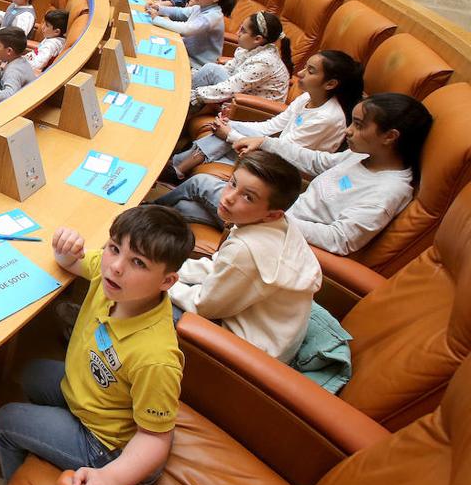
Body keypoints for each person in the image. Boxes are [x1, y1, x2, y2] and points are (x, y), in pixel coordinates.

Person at [0, 206, 193, 485]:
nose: (116, 266)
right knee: (31, 372)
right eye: (114, 248)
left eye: (138, 262)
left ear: (167, 281)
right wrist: (63, 248)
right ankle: (50, 438)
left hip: (111, 449)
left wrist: (112, 479)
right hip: (91, 397)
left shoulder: (156, 358)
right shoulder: (111, 275)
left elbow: (156, 438)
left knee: (6, 420)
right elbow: (72, 263)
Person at [167, 151, 320, 363]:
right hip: (275, 334)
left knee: (148, 296)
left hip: (251, 352)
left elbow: (203, 306)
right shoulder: (278, 224)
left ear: (272, 213)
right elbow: (219, 266)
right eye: (232, 183)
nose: (229, 197)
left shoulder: (245, 250)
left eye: (247, 197)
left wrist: (162, 281)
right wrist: (171, 268)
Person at [249, 93, 433, 256]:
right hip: (278, 217)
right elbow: (318, 162)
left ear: (390, 137)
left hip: (283, 240)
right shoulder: (363, 154)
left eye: (359, 125)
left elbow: (339, 239)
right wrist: (266, 143)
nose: (348, 130)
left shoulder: (389, 191)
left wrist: (273, 219)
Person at [168, 49, 361, 181]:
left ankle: (176, 168)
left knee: (228, 134)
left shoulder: (328, 117)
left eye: (310, 71)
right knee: (230, 128)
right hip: (274, 149)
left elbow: (287, 152)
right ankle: (176, 168)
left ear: (330, 84)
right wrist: (230, 124)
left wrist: (230, 134)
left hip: (284, 167)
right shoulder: (306, 98)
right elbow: (271, 126)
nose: (300, 73)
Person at [189, 11, 292, 109]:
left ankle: (180, 102)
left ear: (257, 39)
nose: (238, 33)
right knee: (210, 70)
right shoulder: (249, 49)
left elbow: (231, 87)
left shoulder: (265, 62)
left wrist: (194, 94)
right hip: (241, 94)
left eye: (243, 30)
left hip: (249, 108)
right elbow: (229, 69)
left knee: (210, 72)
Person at [147, 0, 234, 69]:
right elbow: (179, 12)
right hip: (184, 53)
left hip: (197, 65)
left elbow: (187, 29)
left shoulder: (213, 16)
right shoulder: (199, 7)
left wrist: (157, 19)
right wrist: (158, 8)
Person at [25, 9, 69, 74]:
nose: (42, 27)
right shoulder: (51, 37)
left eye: (47, 26)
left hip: (30, 71)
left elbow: (38, 65)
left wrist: (21, 64)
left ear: (56, 32)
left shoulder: (51, 45)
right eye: (44, 23)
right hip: (27, 62)